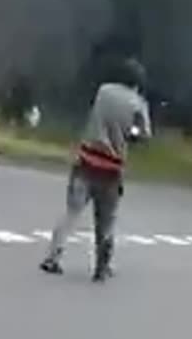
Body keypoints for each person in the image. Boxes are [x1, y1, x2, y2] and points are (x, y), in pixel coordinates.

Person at [40, 59, 151, 282]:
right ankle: (101, 267)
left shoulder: (104, 91)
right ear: (137, 82)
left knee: (71, 212)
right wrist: (132, 132)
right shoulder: (138, 103)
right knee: (106, 222)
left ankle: (52, 257)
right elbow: (144, 135)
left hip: (86, 161)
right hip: (111, 169)